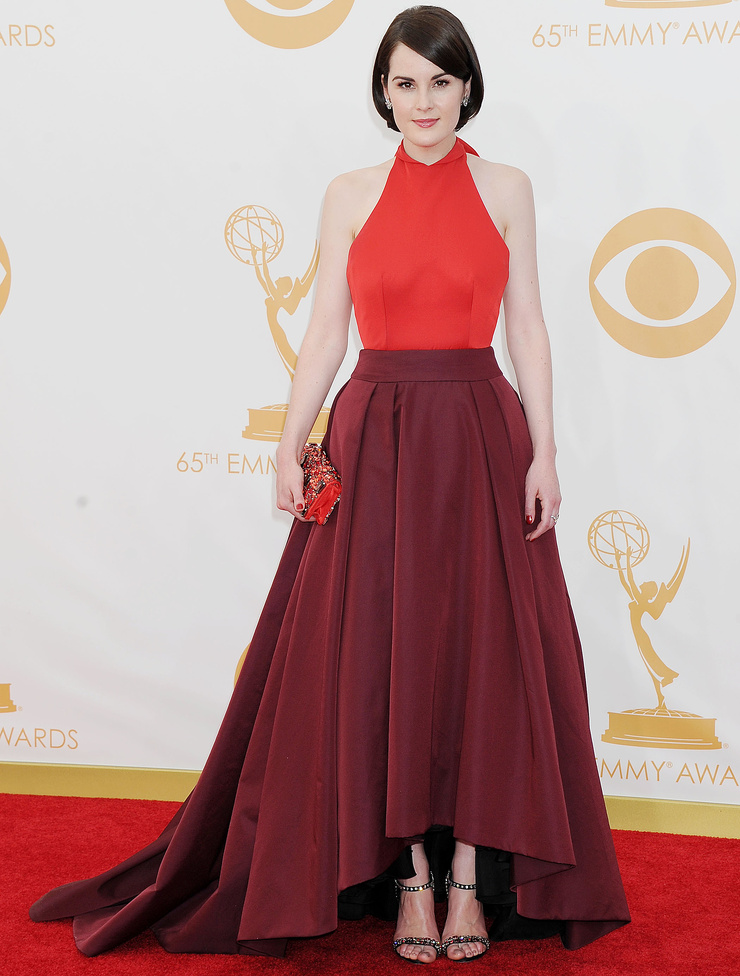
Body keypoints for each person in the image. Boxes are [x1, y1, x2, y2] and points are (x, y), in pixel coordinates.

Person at [30, 5, 630, 965]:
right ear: (382, 93)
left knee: (478, 656)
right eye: (404, 83)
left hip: (481, 434)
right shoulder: (349, 193)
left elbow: (528, 324)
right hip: (374, 437)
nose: (423, 102)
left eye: (440, 82)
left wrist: (547, 452)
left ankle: (468, 878)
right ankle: (410, 880)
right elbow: (324, 329)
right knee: (377, 653)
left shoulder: (507, 187)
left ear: (467, 88)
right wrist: (289, 440)